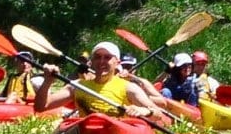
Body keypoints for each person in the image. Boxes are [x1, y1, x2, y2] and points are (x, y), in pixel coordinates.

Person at [34, 41, 167, 118]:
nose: (101, 61)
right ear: (91, 61)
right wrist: (47, 82)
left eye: (107, 57)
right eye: (97, 57)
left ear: (117, 62)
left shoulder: (129, 88)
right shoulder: (77, 86)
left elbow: (158, 113)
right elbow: (41, 107)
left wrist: (145, 111)